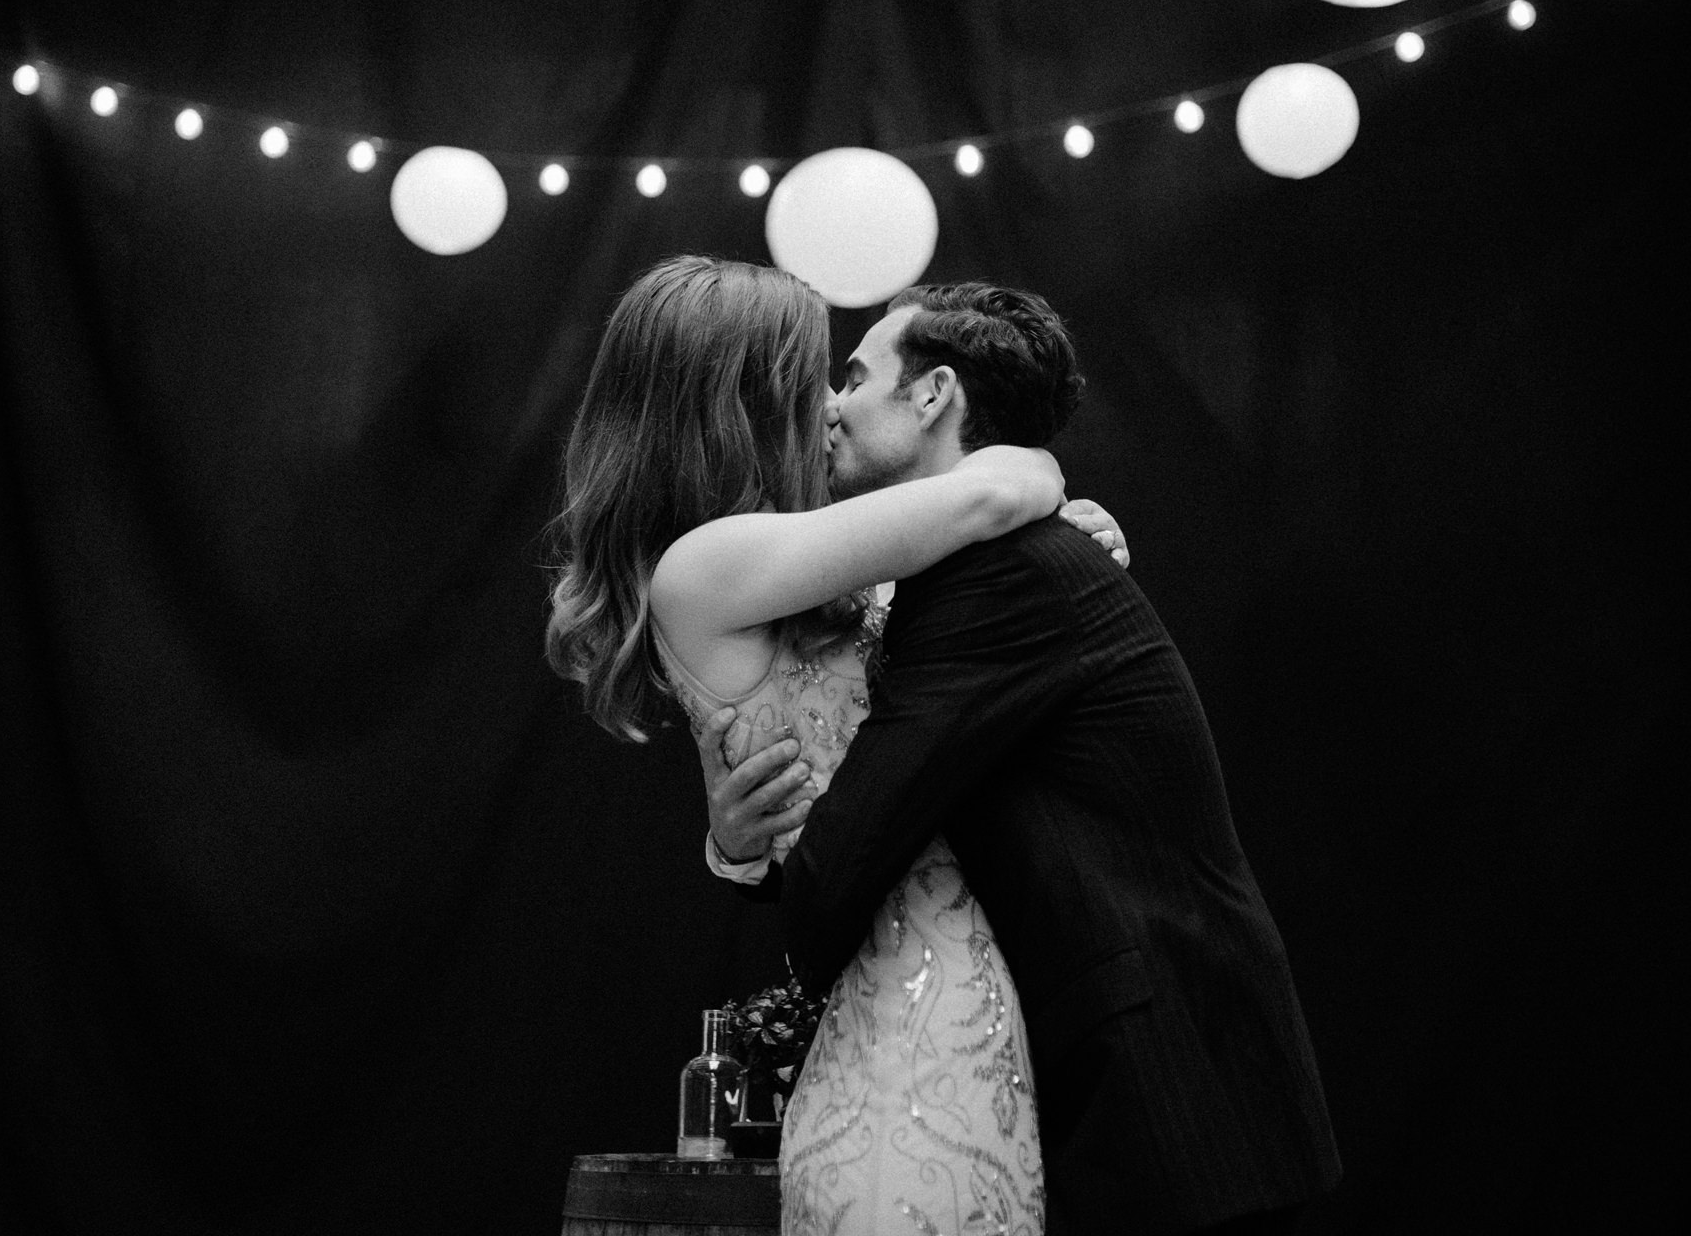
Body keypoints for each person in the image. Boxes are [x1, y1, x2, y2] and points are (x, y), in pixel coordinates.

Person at [700, 283, 1342, 1235]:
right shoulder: (980, 561)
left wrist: (782, 862)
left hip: (1170, 1090)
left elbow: (845, 866)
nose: (829, 405)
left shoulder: (992, 576)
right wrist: (737, 846)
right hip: (1159, 1074)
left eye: (857, 375)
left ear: (933, 396)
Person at [547, 256, 1128, 1235]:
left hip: (990, 999)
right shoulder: (706, 567)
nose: (830, 401)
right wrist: (1037, 484)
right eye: (810, 375)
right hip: (908, 1024)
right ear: (744, 400)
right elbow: (988, 499)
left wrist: (1062, 550)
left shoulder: (794, 569)